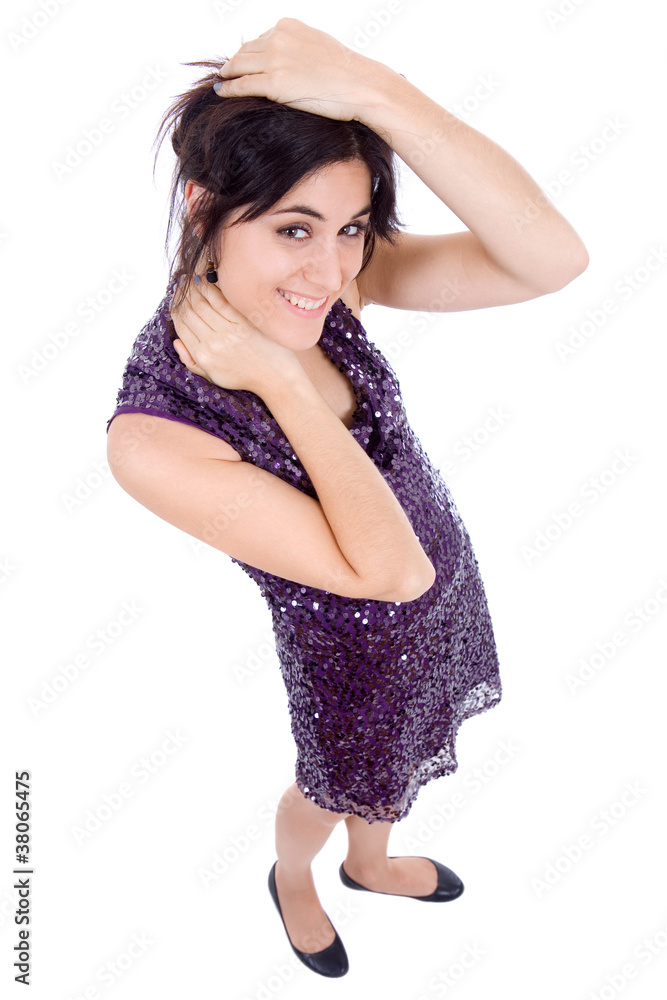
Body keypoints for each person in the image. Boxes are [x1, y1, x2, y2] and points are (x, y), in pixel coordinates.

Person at [105, 17, 588, 979]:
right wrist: (280, 382)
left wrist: (378, 89)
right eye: (293, 228)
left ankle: (370, 866)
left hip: (444, 591)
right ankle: (295, 879)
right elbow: (391, 574)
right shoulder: (154, 438)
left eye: (352, 228)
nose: (328, 271)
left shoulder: (328, 287)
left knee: (397, 773)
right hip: (349, 655)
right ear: (203, 206)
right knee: (332, 786)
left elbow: (551, 260)